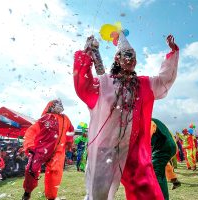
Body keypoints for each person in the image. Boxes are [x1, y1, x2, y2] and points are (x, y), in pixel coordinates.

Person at [73, 31, 179, 200]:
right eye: (127, 55)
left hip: (134, 148)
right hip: (105, 147)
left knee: (146, 190)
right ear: (117, 58)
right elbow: (83, 86)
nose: (131, 59)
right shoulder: (105, 82)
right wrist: (86, 56)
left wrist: (172, 54)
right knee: (98, 193)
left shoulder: (144, 84)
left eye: (134, 57)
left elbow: (164, 80)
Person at [21, 99, 74, 200]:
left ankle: (51, 197)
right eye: (56, 104)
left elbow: (70, 130)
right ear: (50, 106)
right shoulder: (45, 118)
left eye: (60, 104)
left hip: (57, 152)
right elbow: (32, 131)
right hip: (40, 149)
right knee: (31, 170)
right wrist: (30, 145)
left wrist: (69, 143)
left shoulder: (65, 118)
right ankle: (27, 191)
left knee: (55, 173)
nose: (59, 106)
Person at [150, 118, 180, 200]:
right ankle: (174, 179)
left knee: (157, 173)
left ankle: (162, 197)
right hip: (168, 146)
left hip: (163, 147)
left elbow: (148, 137)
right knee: (162, 164)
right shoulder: (155, 120)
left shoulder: (149, 121)